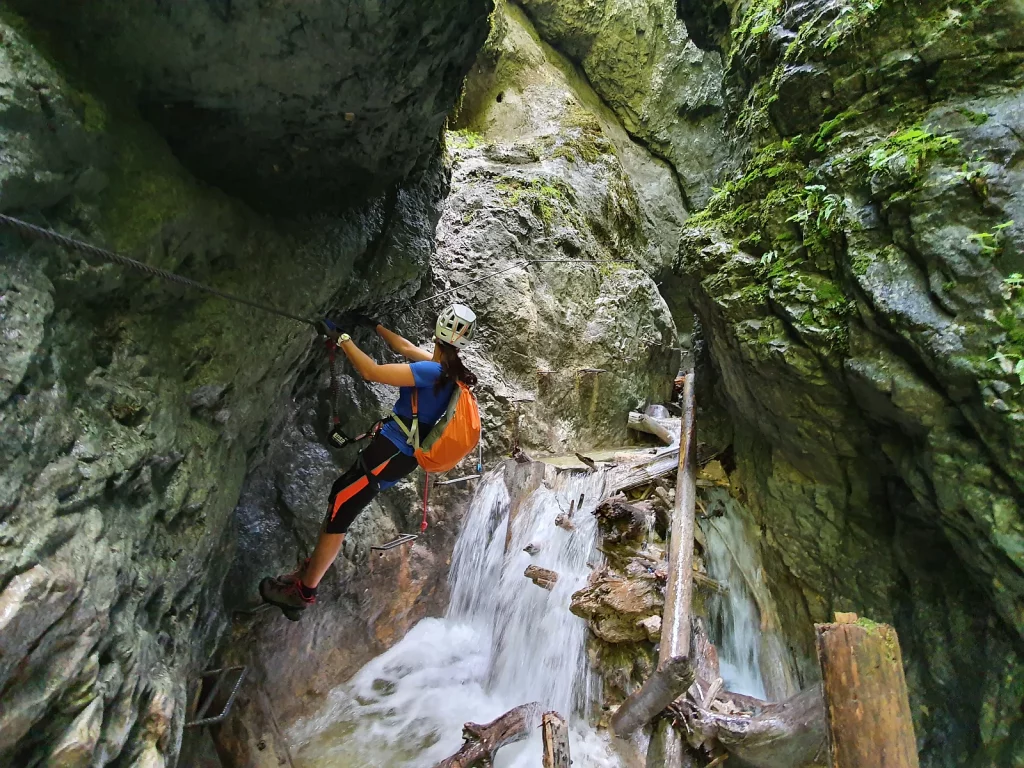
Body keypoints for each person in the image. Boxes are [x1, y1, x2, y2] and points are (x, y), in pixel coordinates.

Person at [259, 303, 478, 619]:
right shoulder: (446, 370)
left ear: (439, 327)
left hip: (389, 453)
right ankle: (306, 579)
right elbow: (402, 346)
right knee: (340, 499)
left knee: (340, 508)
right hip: (394, 455)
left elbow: (371, 371)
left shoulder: (433, 371)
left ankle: (302, 593)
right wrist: (372, 325)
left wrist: (342, 338)